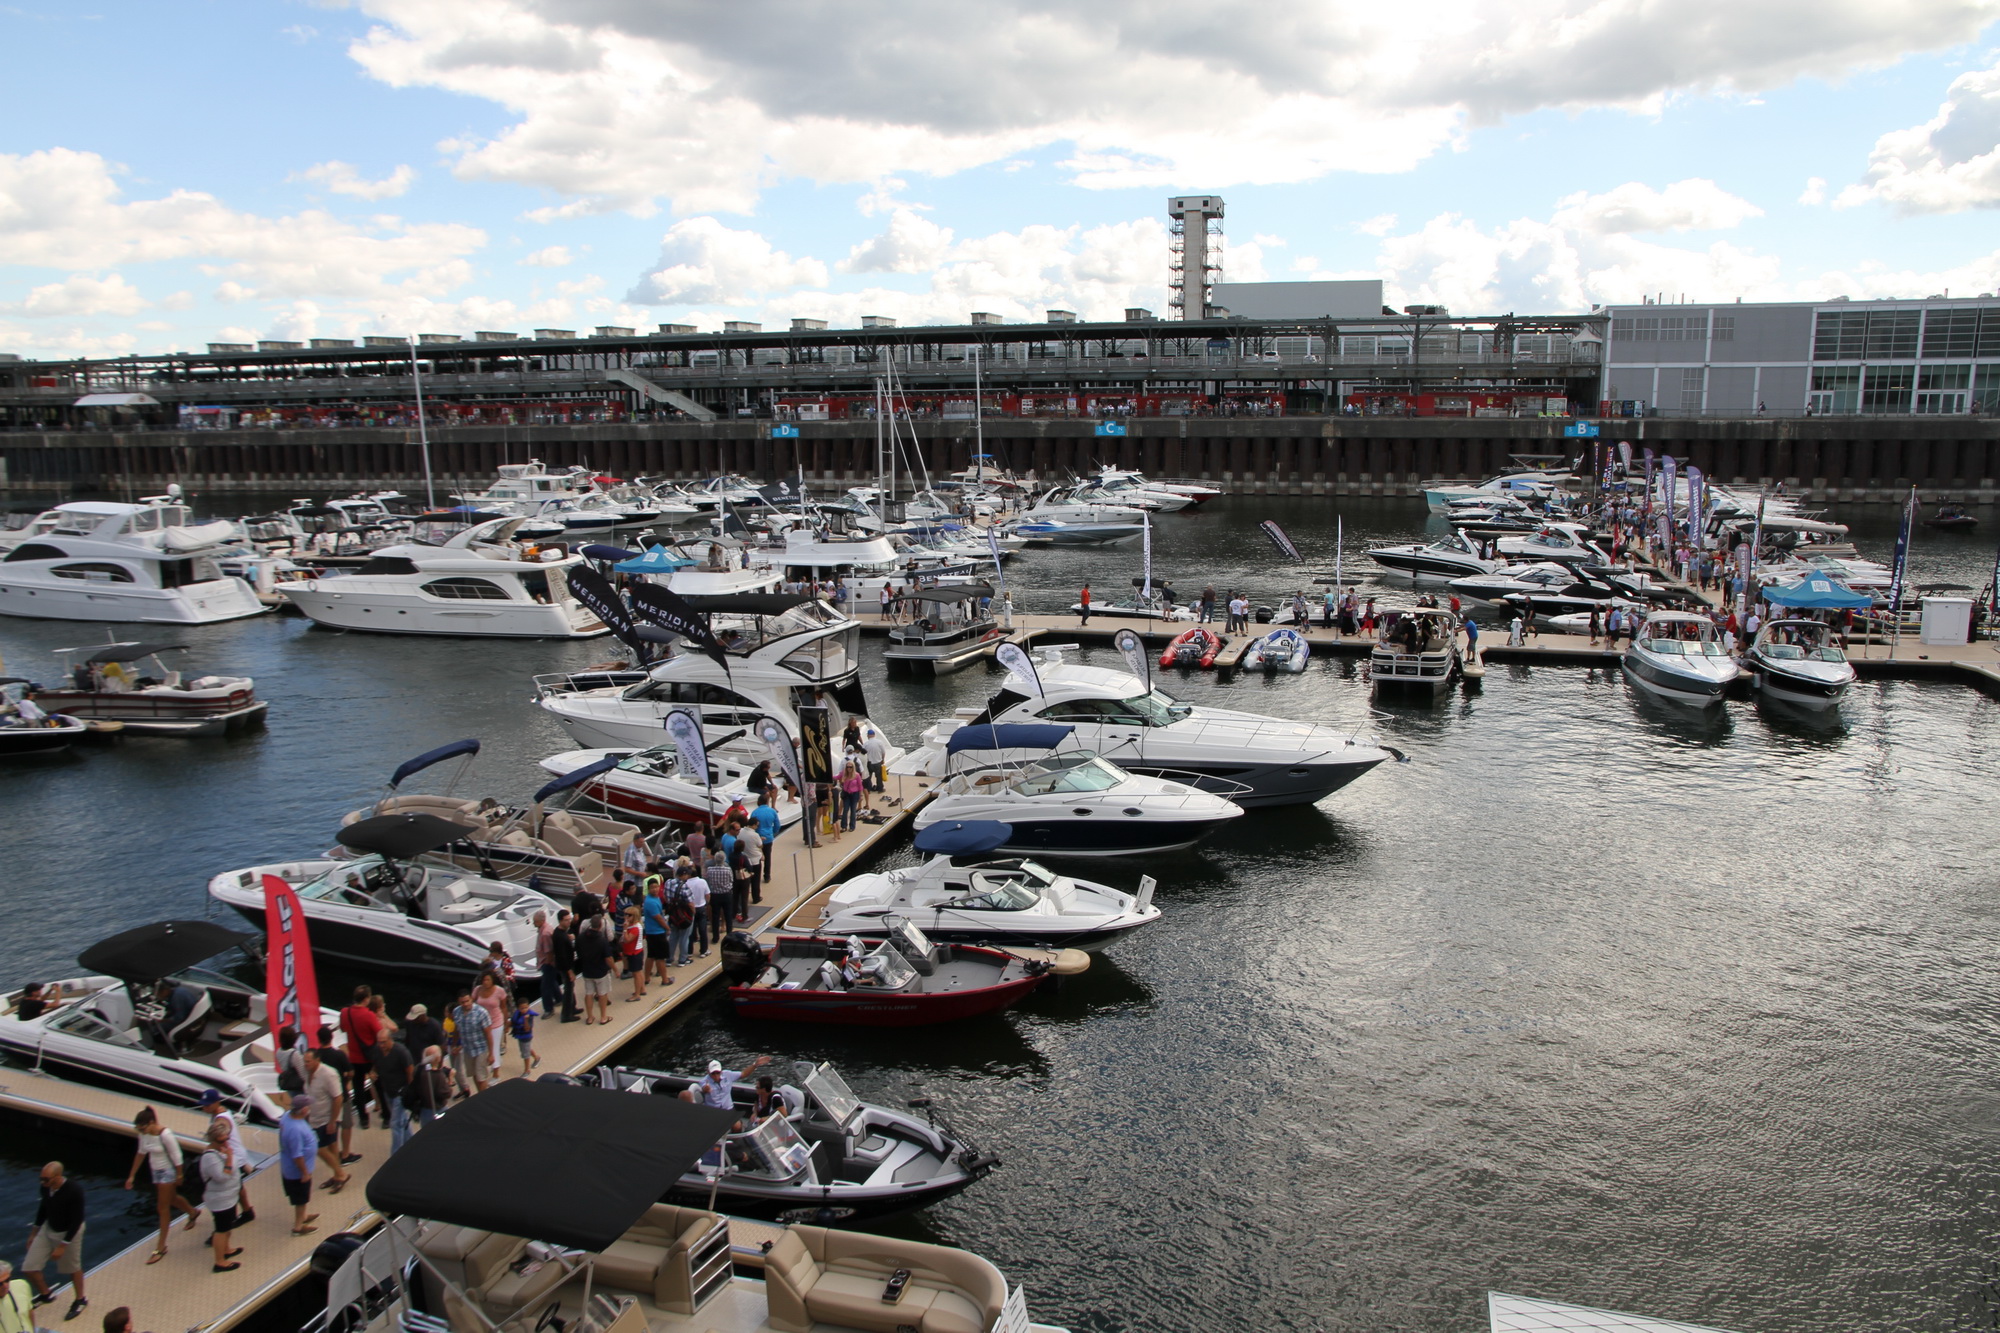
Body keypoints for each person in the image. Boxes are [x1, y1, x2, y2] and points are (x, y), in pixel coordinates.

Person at [123, 1109, 198, 1264]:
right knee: (171, 1199)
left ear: (151, 1123)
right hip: (155, 1170)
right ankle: (192, 1212)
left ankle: (160, 1247)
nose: (141, 1132)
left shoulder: (165, 1135)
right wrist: (132, 1175)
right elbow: (141, 1153)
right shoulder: (144, 1135)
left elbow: (177, 1156)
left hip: (168, 1171)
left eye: (143, 1128)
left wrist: (179, 1175)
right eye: (139, 1130)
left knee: (162, 1208)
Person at [25, 1161, 87, 1320]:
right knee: (29, 1268)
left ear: (58, 1177)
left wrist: (63, 1245)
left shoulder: (74, 1191)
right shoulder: (45, 1188)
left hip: (69, 1231)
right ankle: (46, 1294)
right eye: (41, 1179)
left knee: (72, 1268)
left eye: (46, 1179)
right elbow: (43, 1209)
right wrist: (33, 1233)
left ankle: (80, 1299)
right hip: (49, 1228)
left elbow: (77, 1220)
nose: (42, 1182)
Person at [301, 1052, 352, 1191]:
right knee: (332, 1146)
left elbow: (338, 1098)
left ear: (317, 1060)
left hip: (326, 1118)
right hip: (314, 1117)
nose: (306, 1064)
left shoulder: (328, 1074)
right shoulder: (307, 1073)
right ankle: (337, 1174)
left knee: (316, 1147)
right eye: (305, 1061)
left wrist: (332, 1121)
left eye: (308, 1062)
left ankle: (341, 1174)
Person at [198, 1121, 243, 1273]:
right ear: (212, 1140)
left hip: (230, 1196)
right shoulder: (209, 1158)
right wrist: (229, 1158)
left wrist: (229, 1157)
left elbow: (233, 1167)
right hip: (220, 1200)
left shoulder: (223, 1150)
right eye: (221, 1140)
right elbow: (222, 1176)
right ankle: (219, 1261)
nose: (225, 1143)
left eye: (226, 1139)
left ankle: (227, 1249)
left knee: (229, 1225)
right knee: (221, 1229)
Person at [311, 1025, 360, 1165]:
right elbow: (351, 1072)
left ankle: (335, 1154)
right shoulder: (339, 1055)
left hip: (324, 1099)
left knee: (331, 1128)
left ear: (318, 1039)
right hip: (340, 1094)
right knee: (346, 1124)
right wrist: (345, 1081)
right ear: (331, 1038)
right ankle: (345, 1154)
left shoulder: (317, 1056)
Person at [337, 985, 380, 1132]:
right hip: (369, 1058)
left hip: (354, 1058)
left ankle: (363, 1119)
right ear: (367, 999)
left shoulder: (345, 1012)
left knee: (358, 1089)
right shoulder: (369, 1015)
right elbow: (379, 1034)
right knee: (379, 1085)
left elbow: (343, 1028)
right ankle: (386, 1115)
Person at [277, 1095, 320, 1237]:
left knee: (303, 1197)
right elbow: (297, 1155)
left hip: (292, 1167)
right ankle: (298, 1227)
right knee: (300, 1199)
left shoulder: (288, 1117)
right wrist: (305, 1173)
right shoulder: (294, 1130)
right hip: (296, 1172)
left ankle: (303, 1216)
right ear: (303, 1110)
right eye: (308, 1107)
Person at [372, 1024, 415, 1152]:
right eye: (379, 1043)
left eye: (384, 1042)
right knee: (402, 1120)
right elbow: (375, 1065)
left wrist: (410, 1091)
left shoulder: (401, 1052)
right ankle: (411, 1143)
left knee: (395, 1123)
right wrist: (372, 1072)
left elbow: (410, 1072)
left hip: (400, 1092)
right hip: (387, 1091)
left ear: (391, 1040)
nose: (381, 1046)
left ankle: (396, 1154)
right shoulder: (377, 1051)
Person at [449, 988, 494, 1090]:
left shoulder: (481, 1012)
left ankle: (483, 1099)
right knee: (473, 1074)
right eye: (462, 1002)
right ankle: (480, 1094)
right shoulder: (456, 1012)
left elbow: (488, 1034)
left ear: (471, 999)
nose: (465, 1004)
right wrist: (454, 1045)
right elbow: (457, 1029)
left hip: (481, 1049)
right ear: (458, 1002)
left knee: (481, 1077)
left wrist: (491, 1053)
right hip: (468, 1049)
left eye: (467, 1001)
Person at [574, 918, 614, 1025]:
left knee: (589, 993)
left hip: (587, 970)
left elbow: (577, 951)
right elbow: (608, 958)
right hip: (600, 971)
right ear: (600, 926)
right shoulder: (601, 940)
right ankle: (603, 1017)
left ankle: (590, 1017)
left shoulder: (581, 937)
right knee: (602, 994)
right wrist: (615, 969)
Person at [696, 1055, 771, 1110]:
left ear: (721, 1071)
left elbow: (743, 1074)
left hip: (728, 1109)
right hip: (712, 1110)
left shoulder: (728, 1074)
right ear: (708, 1072)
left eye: (717, 1072)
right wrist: (706, 1089)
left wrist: (755, 1065)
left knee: (737, 1126)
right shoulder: (704, 1081)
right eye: (713, 1073)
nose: (716, 1075)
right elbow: (704, 1089)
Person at [409, 1045, 454, 1129]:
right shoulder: (438, 1076)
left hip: (424, 1110)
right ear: (438, 1058)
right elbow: (446, 1093)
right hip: (438, 1109)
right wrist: (450, 1080)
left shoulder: (418, 1070)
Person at [640, 882, 672, 990]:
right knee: (660, 957)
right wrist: (667, 928)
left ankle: (646, 978)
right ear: (648, 889)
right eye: (652, 888)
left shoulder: (654, 898)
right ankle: (665, 979)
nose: (655, 889)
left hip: (651, 932)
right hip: (657, 932)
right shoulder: (650, 902)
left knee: (651, 955)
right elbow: (658, 918)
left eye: (656, 887)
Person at [703, 850, 734, 940]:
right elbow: (731, 880)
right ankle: (729, 935)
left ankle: (715, 937)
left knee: (715, 916)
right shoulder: (728, 869)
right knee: (728, 915)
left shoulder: (710, 870)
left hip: (715, 895)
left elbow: (708, 881)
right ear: (724, 860)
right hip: (726, 894)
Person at [619, 905, 647, 999]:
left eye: (629, 915)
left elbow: (627, 939)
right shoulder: (632, 926)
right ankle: (642, 989)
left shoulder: (635, 928)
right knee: (638, 972)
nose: (626, 917)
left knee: (636, 973)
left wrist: (625, 929)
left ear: (634, 916)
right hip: (632, 952)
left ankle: (637, 994)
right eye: (625, 914)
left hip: (635, 953)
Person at [509, 995, 540, 1078]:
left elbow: (527, 1029)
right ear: (518, 1008)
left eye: (526, 1008)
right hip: (520, 1036)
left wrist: (526, 1019)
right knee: (527, 1049)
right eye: (522, 1008)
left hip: (526, 1036)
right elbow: (512, 1022)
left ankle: (527, 1070)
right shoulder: (517, 1014)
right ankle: (537, 1058)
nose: (524, 1010)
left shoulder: (529, 1016)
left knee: (525, 1054)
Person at [837, 758, 864, 834]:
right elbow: (836, 777)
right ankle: (844, 826)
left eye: (850, 767)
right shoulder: (843, 773)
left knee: (853, 810)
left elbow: (860, 785)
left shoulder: (857, 775)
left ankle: (852, 826)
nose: (849, 768)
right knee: (845, 809)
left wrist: (861, 795)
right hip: (847, 794)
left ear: (853, 767)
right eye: (847, 767)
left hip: (854, 794)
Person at [862, 725, 888, 795]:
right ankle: (880, 789)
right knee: (879, 776)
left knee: (868, 777)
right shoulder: (879, 742)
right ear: (874, 735)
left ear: (868, 735)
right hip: (877, 762)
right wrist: (883, 759)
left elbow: (863, 753)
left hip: (869, 763)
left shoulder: (865, 744)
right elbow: (883, 752)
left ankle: (868, 789)